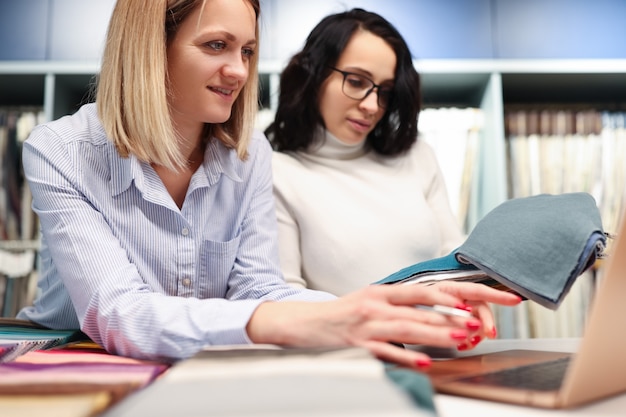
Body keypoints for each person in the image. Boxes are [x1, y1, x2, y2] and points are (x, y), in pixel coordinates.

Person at [18, 0, 521, 369]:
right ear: (152, 46)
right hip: (82, 363)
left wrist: (373, 305)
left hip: (199, 368)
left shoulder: (248, 153)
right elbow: (117, 312)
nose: (239, 71)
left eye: (248, 51)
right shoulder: (61, 152)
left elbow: (257, 287)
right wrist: (276, 321)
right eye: (217, 45)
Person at [266, 9, 463, 296]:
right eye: (357, 81)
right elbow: (284, 296)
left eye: (385, 91)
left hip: (440, 337)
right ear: (313, 75)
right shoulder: (276, 172)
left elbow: (455, 260)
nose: (372, 106)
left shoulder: (418, 156)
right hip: (343, 341)